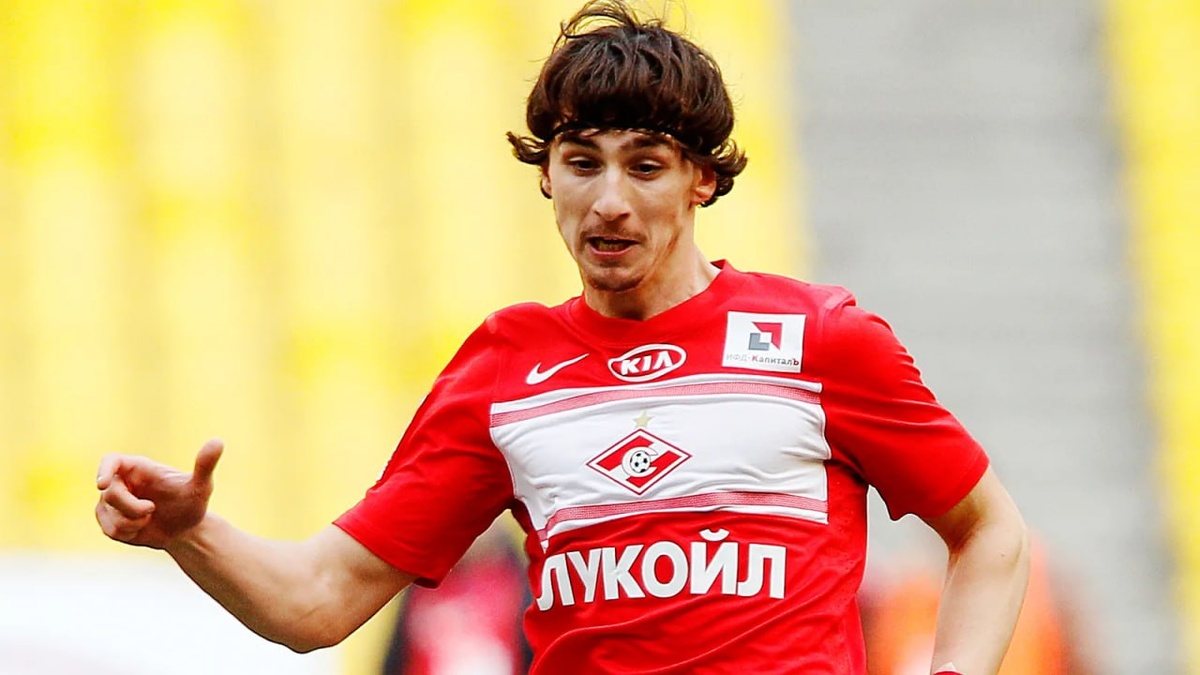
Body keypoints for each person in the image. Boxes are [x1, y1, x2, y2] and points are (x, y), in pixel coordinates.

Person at [94, 1, 1030, 672]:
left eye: (646, 166)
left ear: (702, 179)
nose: (609, 200)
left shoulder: (819, 339)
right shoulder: (505, 367)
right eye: (582, 163)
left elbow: (988, 533)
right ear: (548, 176)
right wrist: (193, 533)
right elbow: (320, 600)